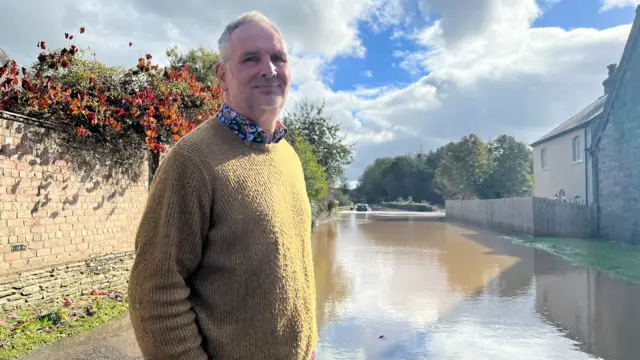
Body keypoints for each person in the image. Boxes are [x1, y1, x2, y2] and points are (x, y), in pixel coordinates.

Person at [128, 11, 317, 360]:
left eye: (278, 58)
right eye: (250, 59)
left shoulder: (288, 156)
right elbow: (154, 292)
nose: (269, 69)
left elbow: (296, 268)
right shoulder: (193, 160)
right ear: (222, 75)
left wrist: (308, 345)